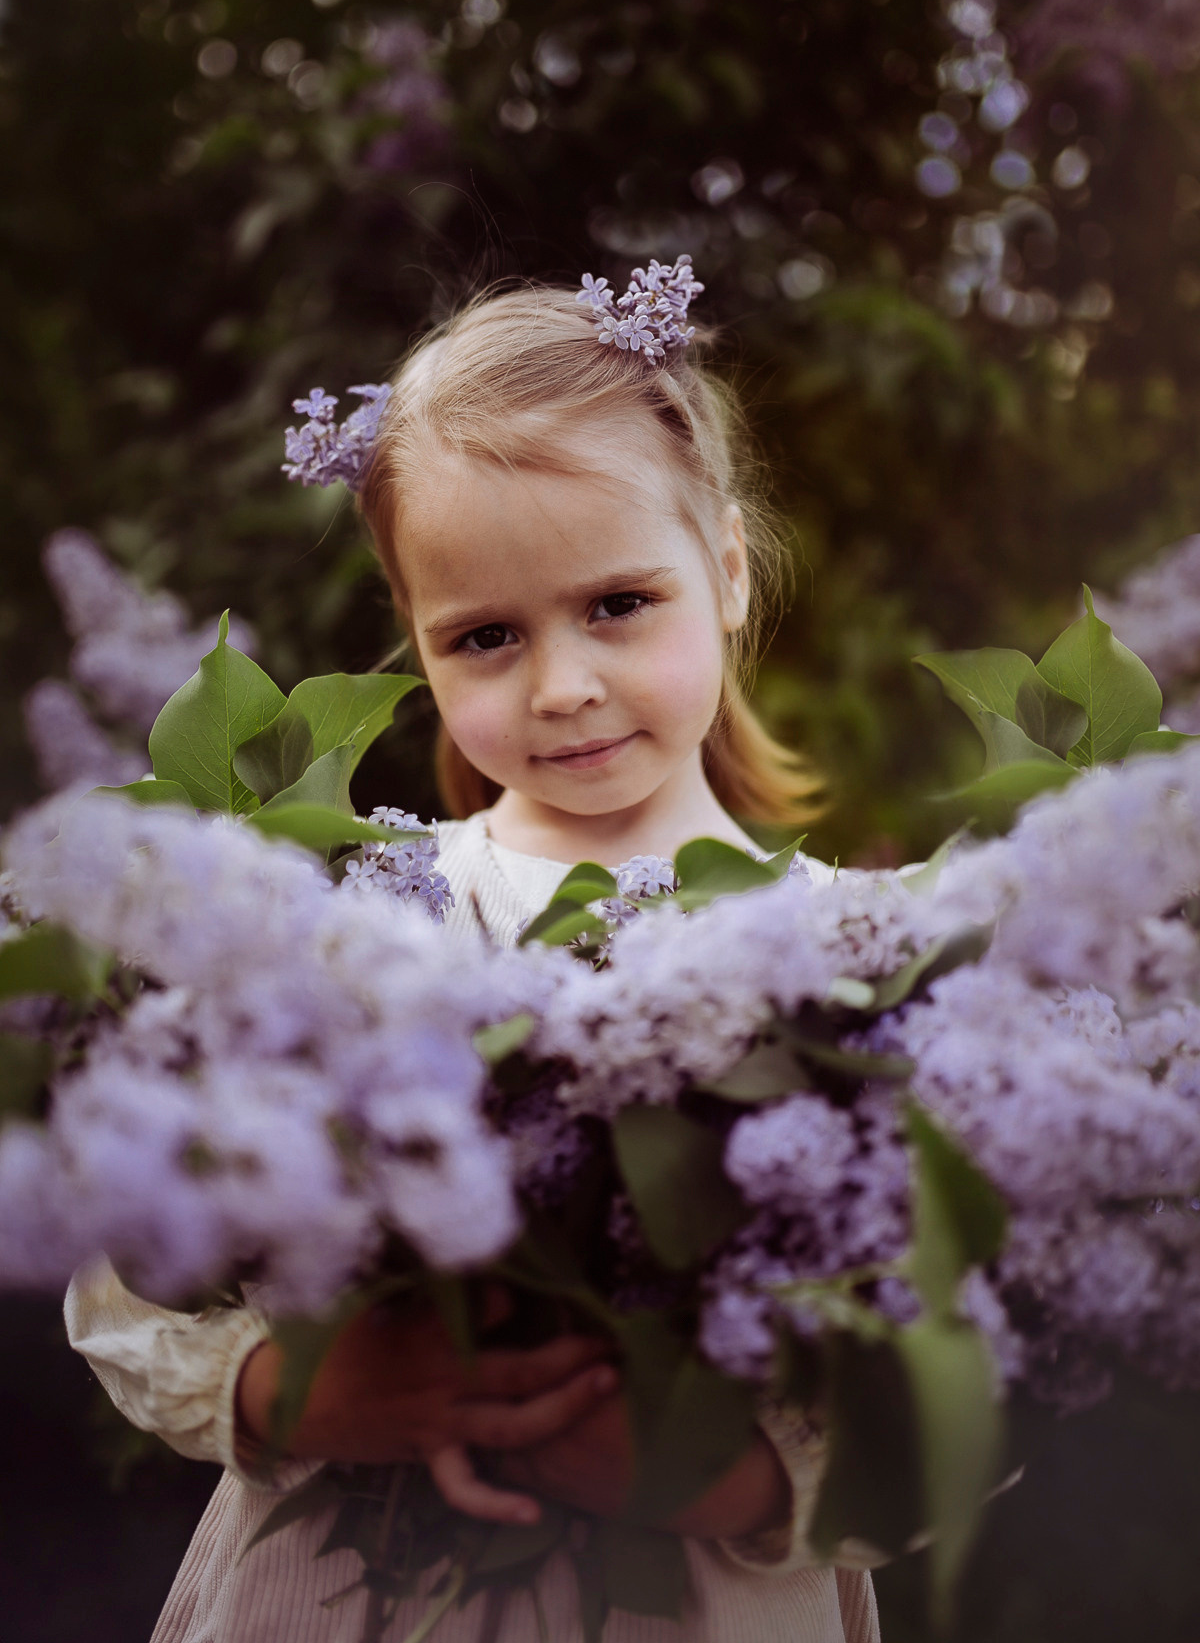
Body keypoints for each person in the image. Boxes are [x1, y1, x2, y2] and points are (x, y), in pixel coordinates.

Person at [67, 267, 882, 1642]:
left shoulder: (864, 959)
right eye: (487, 637)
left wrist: (735, 1473)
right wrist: (299, 1388)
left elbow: (987, 1361)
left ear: (730, 571)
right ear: (419, 644)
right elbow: (124, 1278)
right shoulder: (348, 926)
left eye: (618, 603)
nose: (561, 686)